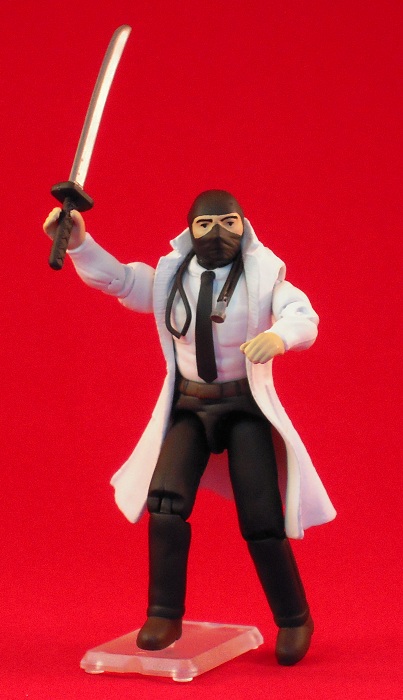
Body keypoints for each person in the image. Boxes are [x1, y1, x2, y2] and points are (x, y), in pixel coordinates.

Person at [43, 189, 336, 665]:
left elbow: (302, 315)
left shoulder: (264, 277)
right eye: (205, 224)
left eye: (228, 222)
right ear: (190, 231)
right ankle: (164, 614)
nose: (218, 233)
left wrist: (279, 336)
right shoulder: (170, 278)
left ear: (244, 226)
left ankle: (294, 618)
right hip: (189, 407)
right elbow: (120, 279)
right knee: (164, 503)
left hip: (243, 408)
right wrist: (78, 244)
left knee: (262, 518)